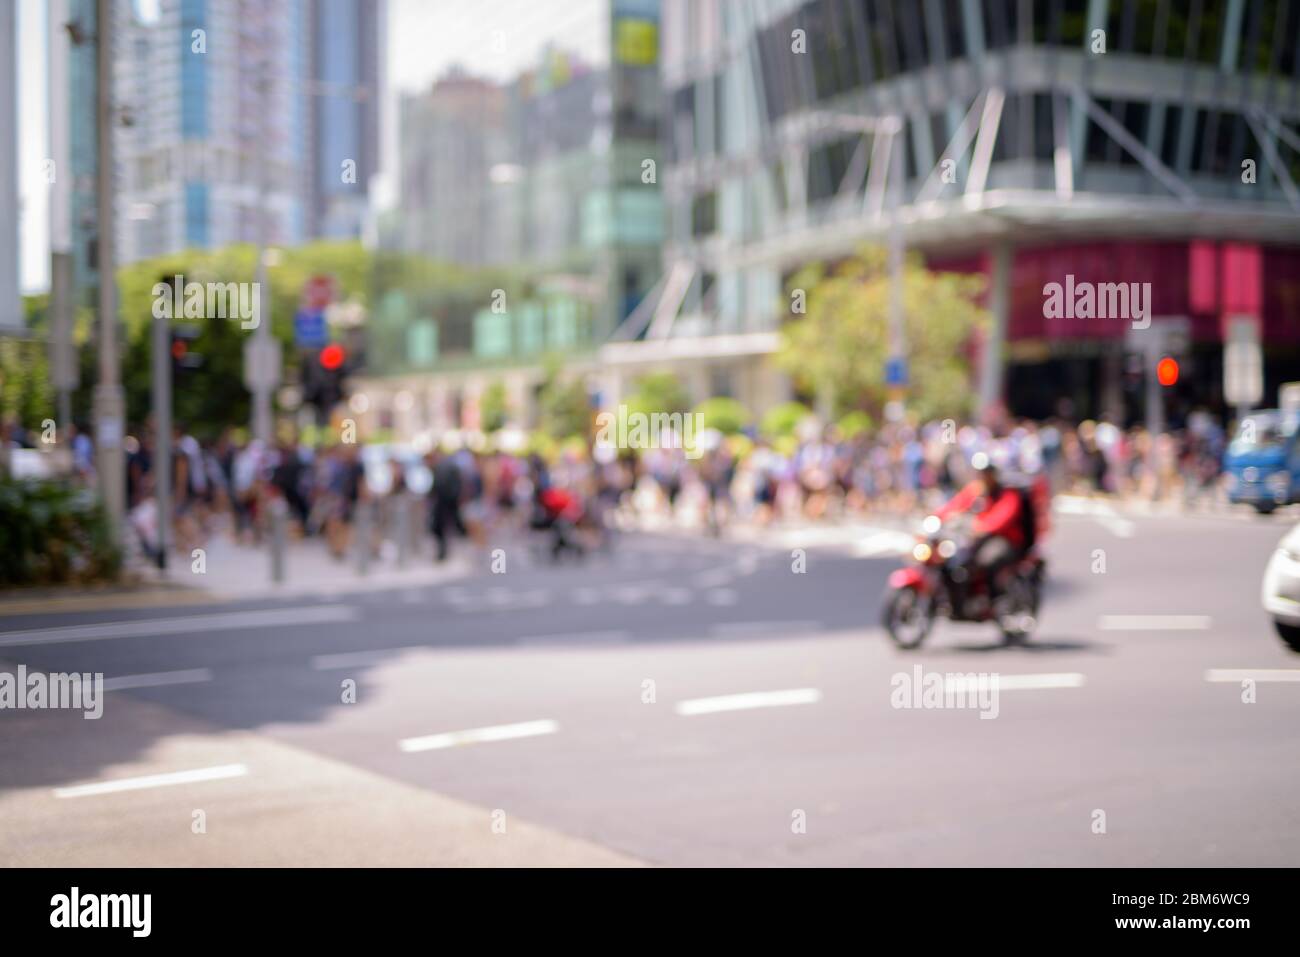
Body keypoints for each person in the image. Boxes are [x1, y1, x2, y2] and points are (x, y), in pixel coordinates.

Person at [933, 453, 1028, 610]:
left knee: (986, 561)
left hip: (1003, 539)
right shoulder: (976, 490)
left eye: (986, 473)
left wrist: (981, 527)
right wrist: (937, 518)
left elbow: (1002, 517)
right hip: (975, 537)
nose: (983, 477)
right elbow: (954, 506)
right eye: (980, 473)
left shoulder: (1007, 494)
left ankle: (995, 600)